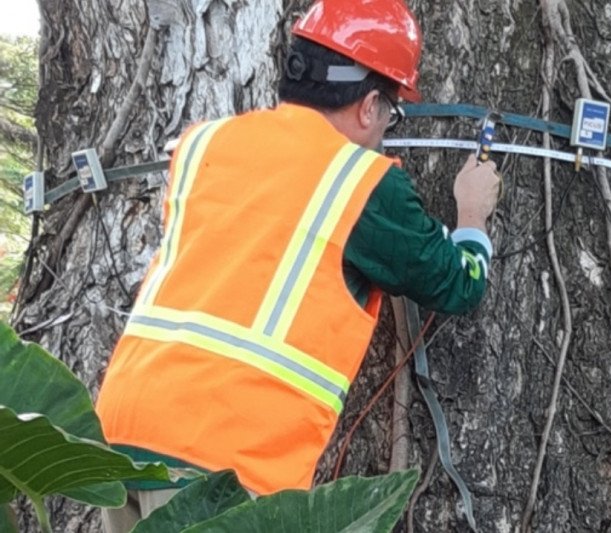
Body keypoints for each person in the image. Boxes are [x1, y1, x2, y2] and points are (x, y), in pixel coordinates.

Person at [96, 0, 500, 530]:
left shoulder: (205, 143)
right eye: (391, 114)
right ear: (368, 105)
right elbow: (457, 284)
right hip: (222, 464)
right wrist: (472, 213)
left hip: (118, 440)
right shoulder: (362, 182)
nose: (384, 129)